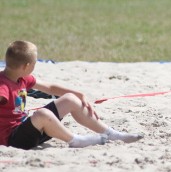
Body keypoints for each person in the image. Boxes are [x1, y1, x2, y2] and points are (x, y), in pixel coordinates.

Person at [0, 40, 143, 149]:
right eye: (34, 63)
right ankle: (75, 141)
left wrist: (79, 94)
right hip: (14, 140)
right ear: (26, 66)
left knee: (70, 99)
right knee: (42, 114)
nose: (35, 66)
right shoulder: (3, 86)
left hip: (29, 129)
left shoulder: (22, 77)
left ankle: (111, 134)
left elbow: (50, 87)